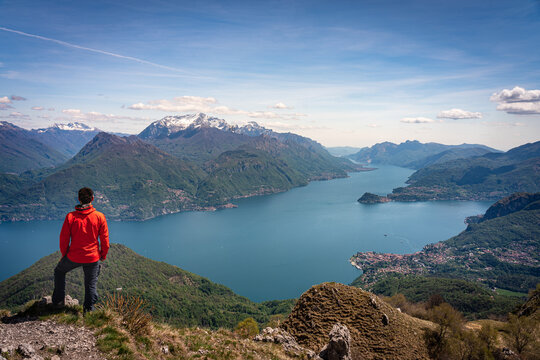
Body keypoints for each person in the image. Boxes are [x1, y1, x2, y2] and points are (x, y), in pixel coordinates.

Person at [52, 187, 109, 312]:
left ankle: (58, 302)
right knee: (90, 284)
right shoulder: (99, 216)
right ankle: (88, 311)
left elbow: (64, 239)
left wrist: (64, 254)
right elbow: (105, 240)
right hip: (92, 257)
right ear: (92, 199)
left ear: (79, 199)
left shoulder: (70, 217)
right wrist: (103, 255)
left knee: (59, 271)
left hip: (73, 257)